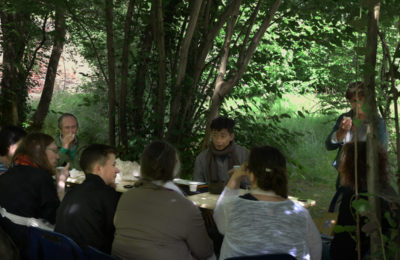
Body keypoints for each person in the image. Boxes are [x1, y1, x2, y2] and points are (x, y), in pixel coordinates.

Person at [213, 145, 322, 260]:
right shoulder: (300, 213)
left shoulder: (231, 207)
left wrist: (235, 178)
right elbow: (315, 246)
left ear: (250, 173)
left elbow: (220, 225)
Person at [112, 140, 214, 260]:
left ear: (143, 166)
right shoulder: (185, 207)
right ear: (174, 167)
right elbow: (204, 252)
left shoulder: (126, 197)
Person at [0, 133, 65, 258]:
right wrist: (61, 191)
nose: (57, 156)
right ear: (39, 151)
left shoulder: (9, 173)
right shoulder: (41, 177)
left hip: (9, 242)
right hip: (29, 247)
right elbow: (56, 219)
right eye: (54, 151)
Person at [330, 142, 392, 260]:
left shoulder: (353, 196)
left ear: (351, 165)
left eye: (343, 161)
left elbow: (341, 248)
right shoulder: (388, 191)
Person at [55, 144, 121, 254]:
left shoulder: (72, 192)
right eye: (113, 165)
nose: (117, 170)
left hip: (62, 253)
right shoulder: (106, 194)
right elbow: (116, 234)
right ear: (98, 169)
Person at [325, 82, 388, 188]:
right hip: (345, 174)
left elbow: (380, 152)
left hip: (367, 175)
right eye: (354, 100)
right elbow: (329, 145)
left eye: (361, 99)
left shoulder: (377, 123)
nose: (358, 104)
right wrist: (342, 132)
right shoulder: (345, 118)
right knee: (343, 201)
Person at [193, 116, 249, 188]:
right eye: (215, 135)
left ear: (231, 136)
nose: (218, 140)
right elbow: (197, 184)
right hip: (210, 196)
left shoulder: (244, 154)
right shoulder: (202, 158)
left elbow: (250, 184)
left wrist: (237, 177)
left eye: (223, 136)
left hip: (238, 196)